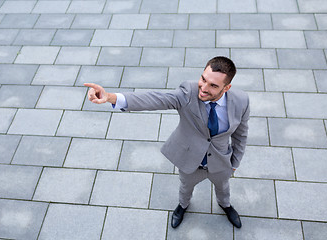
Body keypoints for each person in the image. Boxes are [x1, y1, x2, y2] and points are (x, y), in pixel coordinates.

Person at [84, 56, 250, 229]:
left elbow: (241, 135)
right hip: (190, 160)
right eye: (203, 79)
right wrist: (111, 97)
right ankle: (183, 206)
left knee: (223, 188)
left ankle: (225, 205)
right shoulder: (187, 93)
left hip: (221, 161)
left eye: (213, 85)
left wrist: (234, 163)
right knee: (185, 188)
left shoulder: (241, 101)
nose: (203, 88)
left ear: (227, 87)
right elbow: (154, 99)